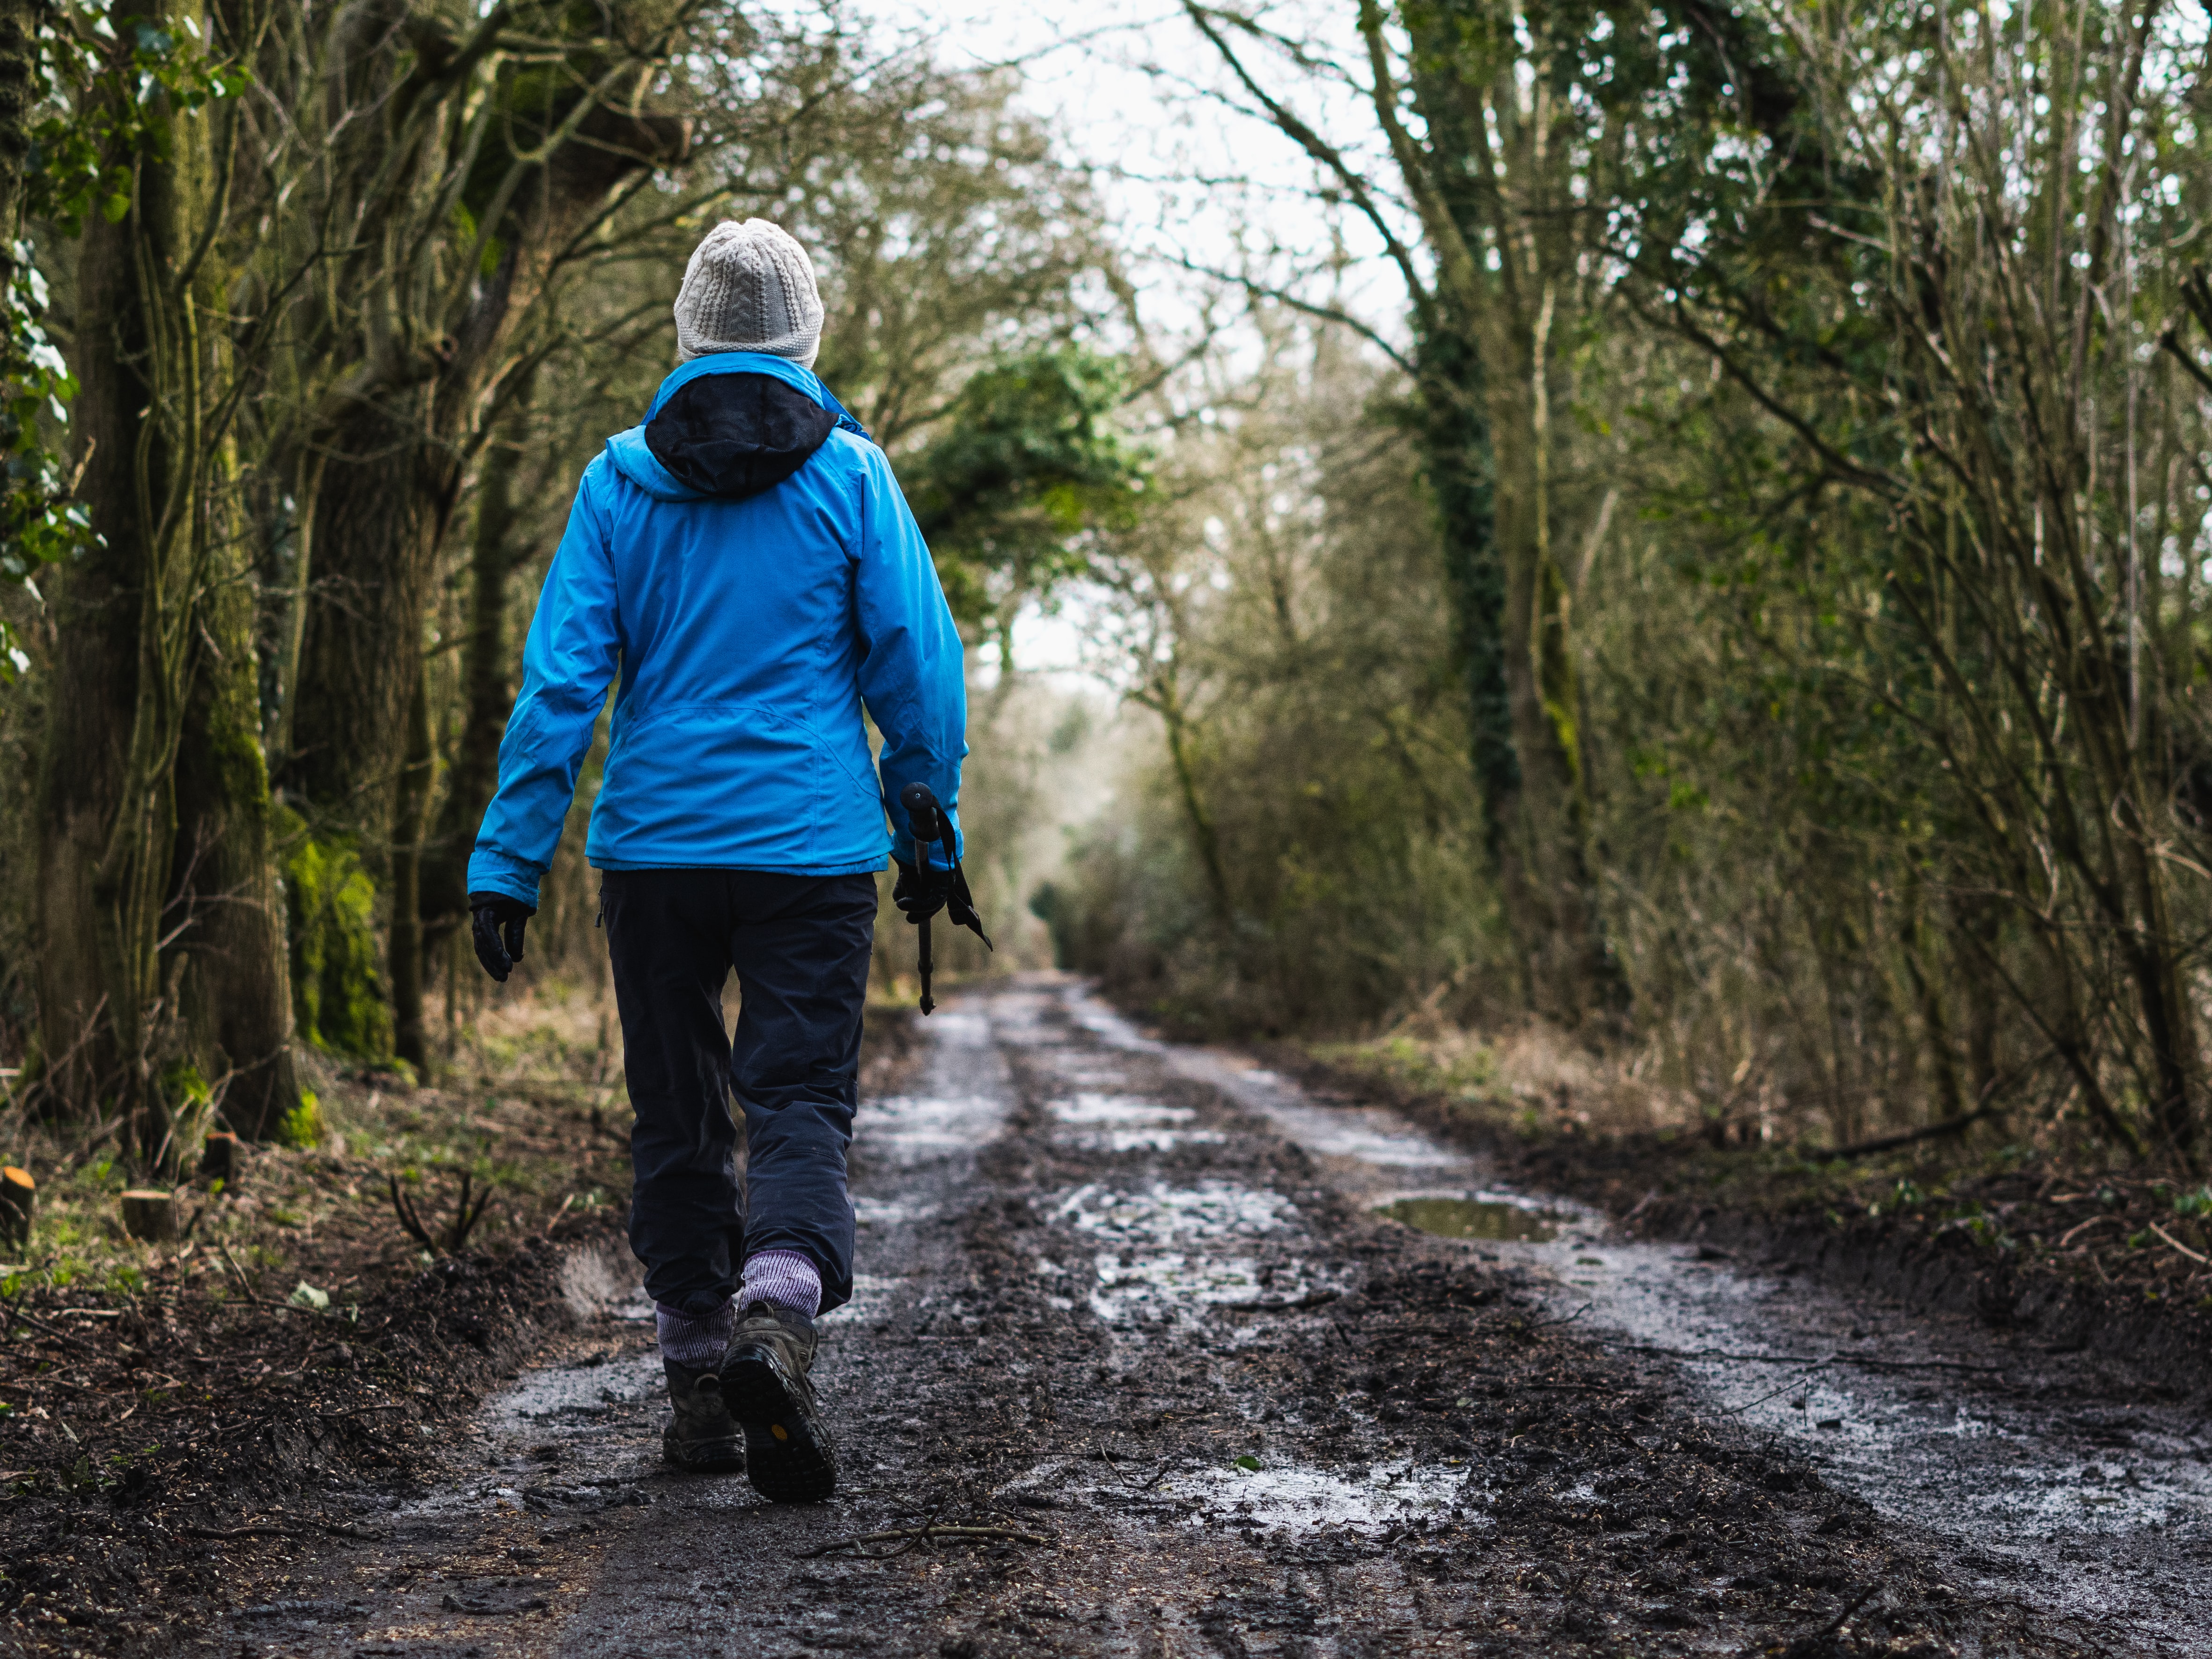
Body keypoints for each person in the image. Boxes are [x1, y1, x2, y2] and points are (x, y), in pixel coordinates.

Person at [463, 219, 968, 1505]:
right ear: (805, 339)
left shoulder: (617, 483)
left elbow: (561, 685)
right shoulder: (853, 476)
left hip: (656, 850)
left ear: (688, 334)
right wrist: (927, 820)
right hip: (809, 846)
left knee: (678, 1108)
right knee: (799, 1094)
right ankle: (778, 1316)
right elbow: (917, 659)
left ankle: (698, 1382)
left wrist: (508, 859)